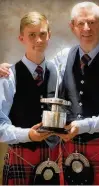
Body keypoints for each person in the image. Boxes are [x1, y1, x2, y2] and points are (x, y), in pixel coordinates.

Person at [0, 1, 99, 185]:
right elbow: (34, 65)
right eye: (80, 23)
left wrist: (80, 126)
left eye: (92, 22)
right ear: (72, 27)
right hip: (67, 150)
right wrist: (5, 70)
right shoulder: (63, 58)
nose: (86, 28)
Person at [0, 11, 62, 185]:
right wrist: (28, 134)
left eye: (43, 34)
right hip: (21, 155)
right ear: (21, 38)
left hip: (53, 157)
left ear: (49, 35)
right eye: (32, 35)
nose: (39, 40)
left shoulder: (57, 71)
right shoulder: (8, 76)